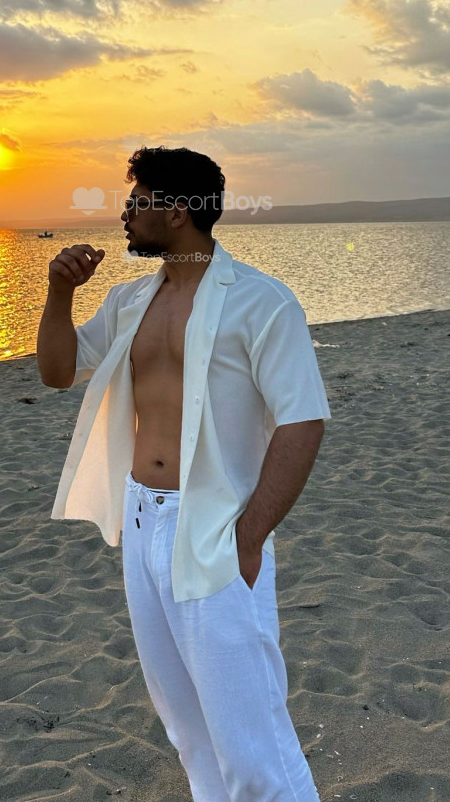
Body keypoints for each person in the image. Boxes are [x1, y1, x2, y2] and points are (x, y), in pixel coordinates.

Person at [37, 145, 330, 801]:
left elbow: (303, 421)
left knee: (250, 736)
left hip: (217, 527)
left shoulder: (260, 302)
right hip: (142, 521)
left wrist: (249, 537)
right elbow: (57, 371)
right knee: (188, 728)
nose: (124, 213)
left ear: (177, 212)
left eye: (137, 202)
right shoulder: (130, 300)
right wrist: (59, 293)